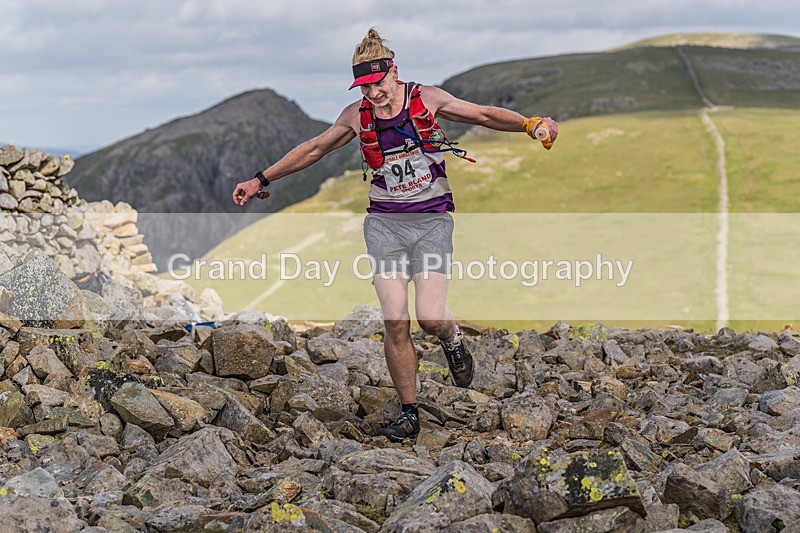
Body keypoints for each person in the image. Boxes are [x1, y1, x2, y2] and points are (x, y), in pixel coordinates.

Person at [233, 28, 558, 442]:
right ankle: (409, 412)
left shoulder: (428, 99)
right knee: (396, 321)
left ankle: (453, 339)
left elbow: (482, 114)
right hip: (384, 225)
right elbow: (315, 148)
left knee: (431, 317)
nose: (373, 94)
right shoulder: (356, 115)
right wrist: (260, 178)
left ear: (394, 72)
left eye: (379, 84)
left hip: (432, 222)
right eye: (365, 88)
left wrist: (530, 125)